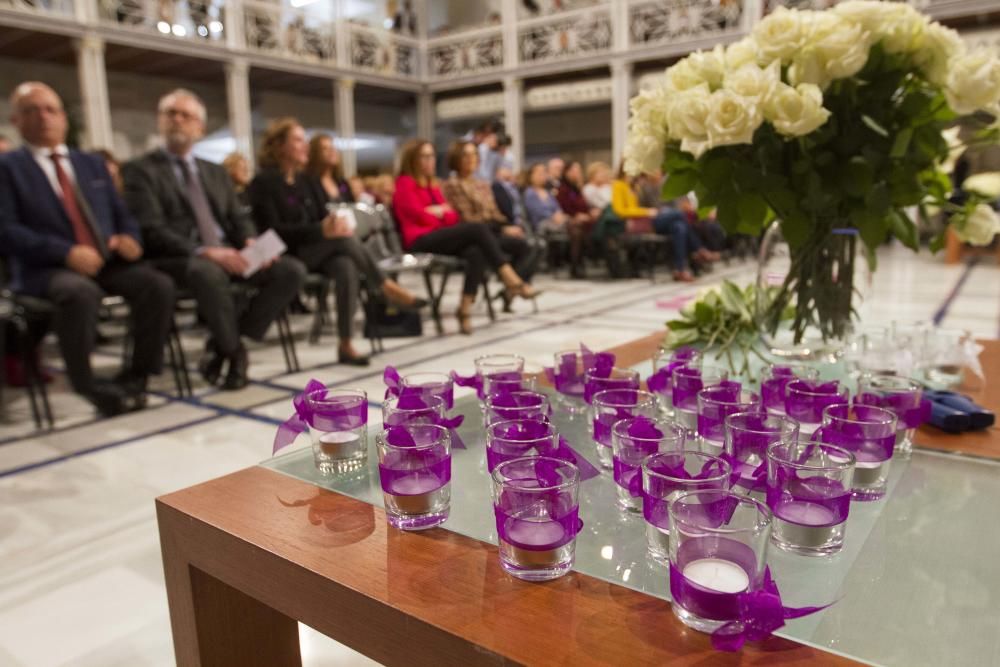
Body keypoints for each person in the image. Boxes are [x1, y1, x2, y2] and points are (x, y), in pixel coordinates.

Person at [0, 82, 175, 416]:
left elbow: (121, 213)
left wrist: (129, 238)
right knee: (79, 293)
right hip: (44, 268)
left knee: (158, 285)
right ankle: (86, 383)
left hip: (103, 259)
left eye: (51, 109)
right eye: (31, 110)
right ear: (16, 120)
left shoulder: (90, 164)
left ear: (64, 118)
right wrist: (65, 252)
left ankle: (138, 373)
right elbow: (6, 230)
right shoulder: (8, 168)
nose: (43, 117)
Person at [122, 89, 305, 390]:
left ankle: (226, 342)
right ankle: (234, 353)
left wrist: (248, 240)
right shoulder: (141, 170)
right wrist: (205, 251)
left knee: (290, 270)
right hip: (179, 258)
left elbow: (238, 217)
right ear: (160, 121)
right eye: (171, 114)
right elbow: (151, 228)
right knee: (206, 272)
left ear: (200, 128)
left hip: (227, 252)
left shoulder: (214, 171)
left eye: (186, 116)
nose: (178, 120)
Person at [248, 118, 424, 365]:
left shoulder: (304, 182)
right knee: (343, 243)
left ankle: (345, 343)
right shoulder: (264, 182)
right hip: (286, 255)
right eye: (298, 140)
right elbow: (272, 232)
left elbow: (322, 217)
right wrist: (321, 231)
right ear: (279, 146)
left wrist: (332, 225)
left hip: (315, 251)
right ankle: (384, 286)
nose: (304, 146)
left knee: (346, 265)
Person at [392, 139, 538, 335]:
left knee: (476, 251)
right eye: (425, 156)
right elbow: (416, 216)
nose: (430, 160)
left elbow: (451, 216)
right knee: (476, 229)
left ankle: (464, 308)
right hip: (419, 240)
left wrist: (438, 212)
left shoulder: (432, 184)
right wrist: (438, 214)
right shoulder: (405, 183)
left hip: (438, 235)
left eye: (432, 156)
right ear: (412, 159)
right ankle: (510, 278)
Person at [442, 141, 538, 306]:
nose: (471, 159)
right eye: (466, 154)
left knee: (530, 245)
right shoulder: (452, 185)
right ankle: (513, 283)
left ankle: (510, 290)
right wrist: (499, 226)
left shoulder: (482, 184)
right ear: (456, 158)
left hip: (491, 232)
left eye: (474, 154)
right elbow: (466, 218)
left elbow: (496, 214)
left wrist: (506, 226)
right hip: (473, 236)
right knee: (479, 249)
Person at [611, 162, 717, 282]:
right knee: (679, 215)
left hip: (655, 219)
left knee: (679, 227)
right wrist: (647, 212)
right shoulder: (621, 185)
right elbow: (621, 210)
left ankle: (680, 270)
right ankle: (698, 249)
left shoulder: (636, 186)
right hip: (644, 222)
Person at [523, 162, 569, 235]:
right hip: (540, 224)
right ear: (531, 176)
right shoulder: (529, 192)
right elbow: (536, 212)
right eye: (539, 173)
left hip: (555, 222)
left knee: (572, 223)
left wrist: (560, 215)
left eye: (544, 172)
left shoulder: (548, 192)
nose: (542, 175)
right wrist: (552, 216)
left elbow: (557, 208)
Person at [306, 133, 353, 204]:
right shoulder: (308, 182)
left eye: (332, 147)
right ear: (315, 154)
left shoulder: (341, 181)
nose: (332, 151)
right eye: (325, 148)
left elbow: (351, 204)